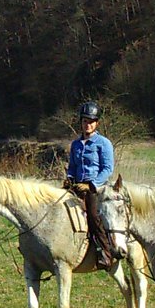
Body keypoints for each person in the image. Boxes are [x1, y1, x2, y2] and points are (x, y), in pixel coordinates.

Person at [63, 100, 117, 268]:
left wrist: (91, 185)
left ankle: (105, 253)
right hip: (77, 186)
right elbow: (72, 166)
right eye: (85, 121)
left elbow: (108, 168)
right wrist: (69, 178)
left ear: (97, 123)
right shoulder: (76, 144)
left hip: (96, 188)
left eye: (91, 122)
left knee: (93, 215)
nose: (88, 125)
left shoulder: (103, 143)